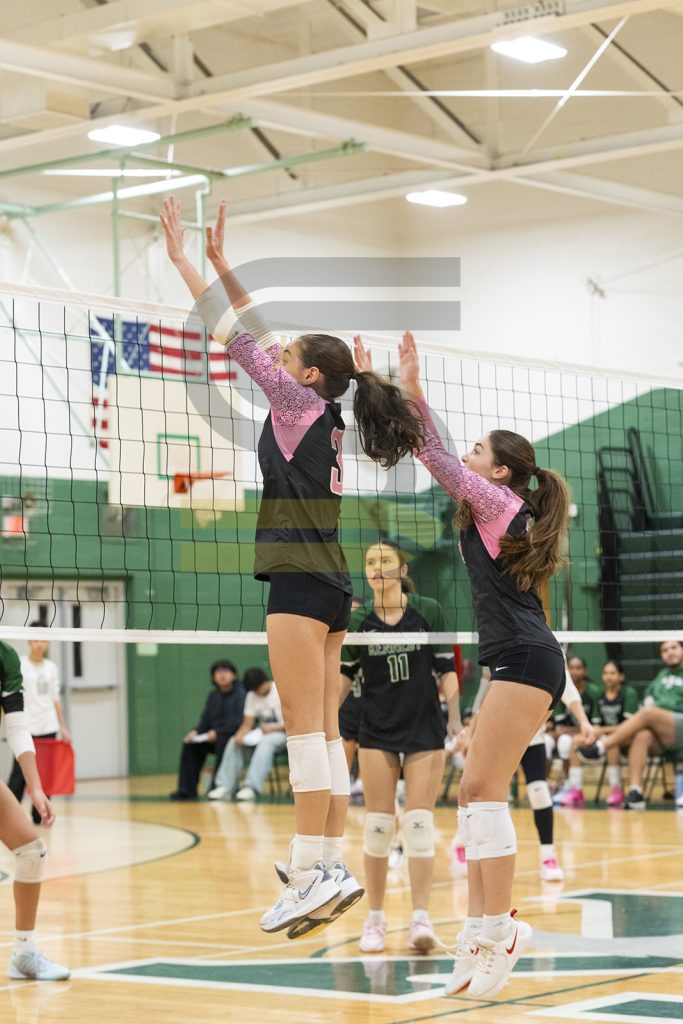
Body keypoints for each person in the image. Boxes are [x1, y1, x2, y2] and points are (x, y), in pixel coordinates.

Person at [161, 197, 423, 938]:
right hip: (329, 582)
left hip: (300, 580)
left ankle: (309, 872)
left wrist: (183, 262)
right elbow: (262, 328)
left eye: (286, 359)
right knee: (324, 733)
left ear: (304, 374)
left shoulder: (290, 400)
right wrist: (220, 261)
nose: (274, 360)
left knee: (306, 733)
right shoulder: (324, 410)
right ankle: (328, 866)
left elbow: (231, 330)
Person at [358, 330, 569, 998]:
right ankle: (479, 934)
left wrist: (403, 388)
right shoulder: (496, 510)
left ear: (499, 473)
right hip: (515, 659)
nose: (468, 456)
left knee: (481, 790)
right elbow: (440, 453)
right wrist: (403, 390)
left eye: (480, 450)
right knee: (472, 796)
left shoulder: (497, 503)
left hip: (527, 658)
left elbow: (433, 454)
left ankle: (500, 931)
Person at [340, 539, 461, 955]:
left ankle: (421, 919)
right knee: (378, 827)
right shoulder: (359, 621)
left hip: (424, 728)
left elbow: (446, 668)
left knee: (419, 825)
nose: (376, 567)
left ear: (402, 569)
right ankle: (375, 919)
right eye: (370, 561)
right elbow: (344, 676)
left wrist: (456, 717)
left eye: (385, 560)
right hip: (377, 731)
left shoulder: (428, 611)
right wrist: (321, 722)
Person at [454, 666, 595, 884]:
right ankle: (461, 843)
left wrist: (583, 720)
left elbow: (565, 683)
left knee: (539, 792)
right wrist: (472, 732)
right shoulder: (504, 653)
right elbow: (489, 693)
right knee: (482, 793)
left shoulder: (549, 651)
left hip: (532, 736)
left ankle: (548, 857)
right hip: (500, 733)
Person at [0, 640, 70, 981]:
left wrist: (37, 787)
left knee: (31, 852)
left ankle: (24, 954)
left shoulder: (5, 658)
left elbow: (16, 726)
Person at [579, 639, 683, 809]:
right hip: (662, 733)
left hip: (679, 724)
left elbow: (651, 708)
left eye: (674, 647)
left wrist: (658, 711)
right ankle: (636, 793)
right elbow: (649, 697)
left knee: (648, 713)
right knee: (642, 735)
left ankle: (601, 746)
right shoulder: (662, 676)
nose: (669, 652)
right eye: (664, 650)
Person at [7, 624, 71, 826]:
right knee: (19, 775)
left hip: (48, 727)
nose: (39, 644)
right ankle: (9, 814)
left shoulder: (51, 668)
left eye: (43, 640)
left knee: (44, 776)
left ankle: (40, 815)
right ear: (29, 641)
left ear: (48, 642)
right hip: (25, 728)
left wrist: (63, 727)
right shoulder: (19, 663)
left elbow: (55, 699)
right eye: (35, 640)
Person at [562, 660, 638, 808]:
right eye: (605, 673)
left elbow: (629, 726)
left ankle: (617, 789)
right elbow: (596, 723)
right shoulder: (600, 695)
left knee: (612, 743)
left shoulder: (629, 693)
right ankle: (576, 790)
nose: (608, 677)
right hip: (605, 737)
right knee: (576, 740)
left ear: (621, 676)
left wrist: (602, 731)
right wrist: (592, 735)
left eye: (612, 673)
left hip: (627, 739)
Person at [169, 660, 245, 801]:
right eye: (218, 672)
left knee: (223, 741)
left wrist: (218, 732)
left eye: (226, 671)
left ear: (234, 675)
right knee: (190, 745)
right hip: (211, 736)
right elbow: (205, 720)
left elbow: (238, 721)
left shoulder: (241, 693)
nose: (222, 675)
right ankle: (186, 790)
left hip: (231, 736)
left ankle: (217, 787)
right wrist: (196, 732)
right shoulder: (213, 696)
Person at [207, 668, 286, 802]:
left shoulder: (280, 691)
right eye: (253, 691)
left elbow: (294, 724)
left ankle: (251, 787)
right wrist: (240, 734)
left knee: (266, 742)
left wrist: (272, 729)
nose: (256, 693)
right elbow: (247, 724)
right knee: (234, 741)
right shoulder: (251, 696)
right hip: (262, 734)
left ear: (265, 682)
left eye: (258, 689)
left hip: (283, 734)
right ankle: (224, 786)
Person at [552, 655, 602, 805]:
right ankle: (569, 785)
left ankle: (574, 788)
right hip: (575, 734)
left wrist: (572, 730)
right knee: (563, 742)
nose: (574, 671)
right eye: (571, 668)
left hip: (591, 735)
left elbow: (595, 725)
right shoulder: (561, 690)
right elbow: (559, 728)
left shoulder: (593, 692)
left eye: (578, 668)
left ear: (585, 670)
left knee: (570, 740)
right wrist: (572, 730)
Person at [339, 596, 365, 801]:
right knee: (346, 740)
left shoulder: (371, 636)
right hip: (347, 699)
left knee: (367, 740)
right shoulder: (337, 638)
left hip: (370, 700)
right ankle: (343, 780)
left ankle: (364, 782)